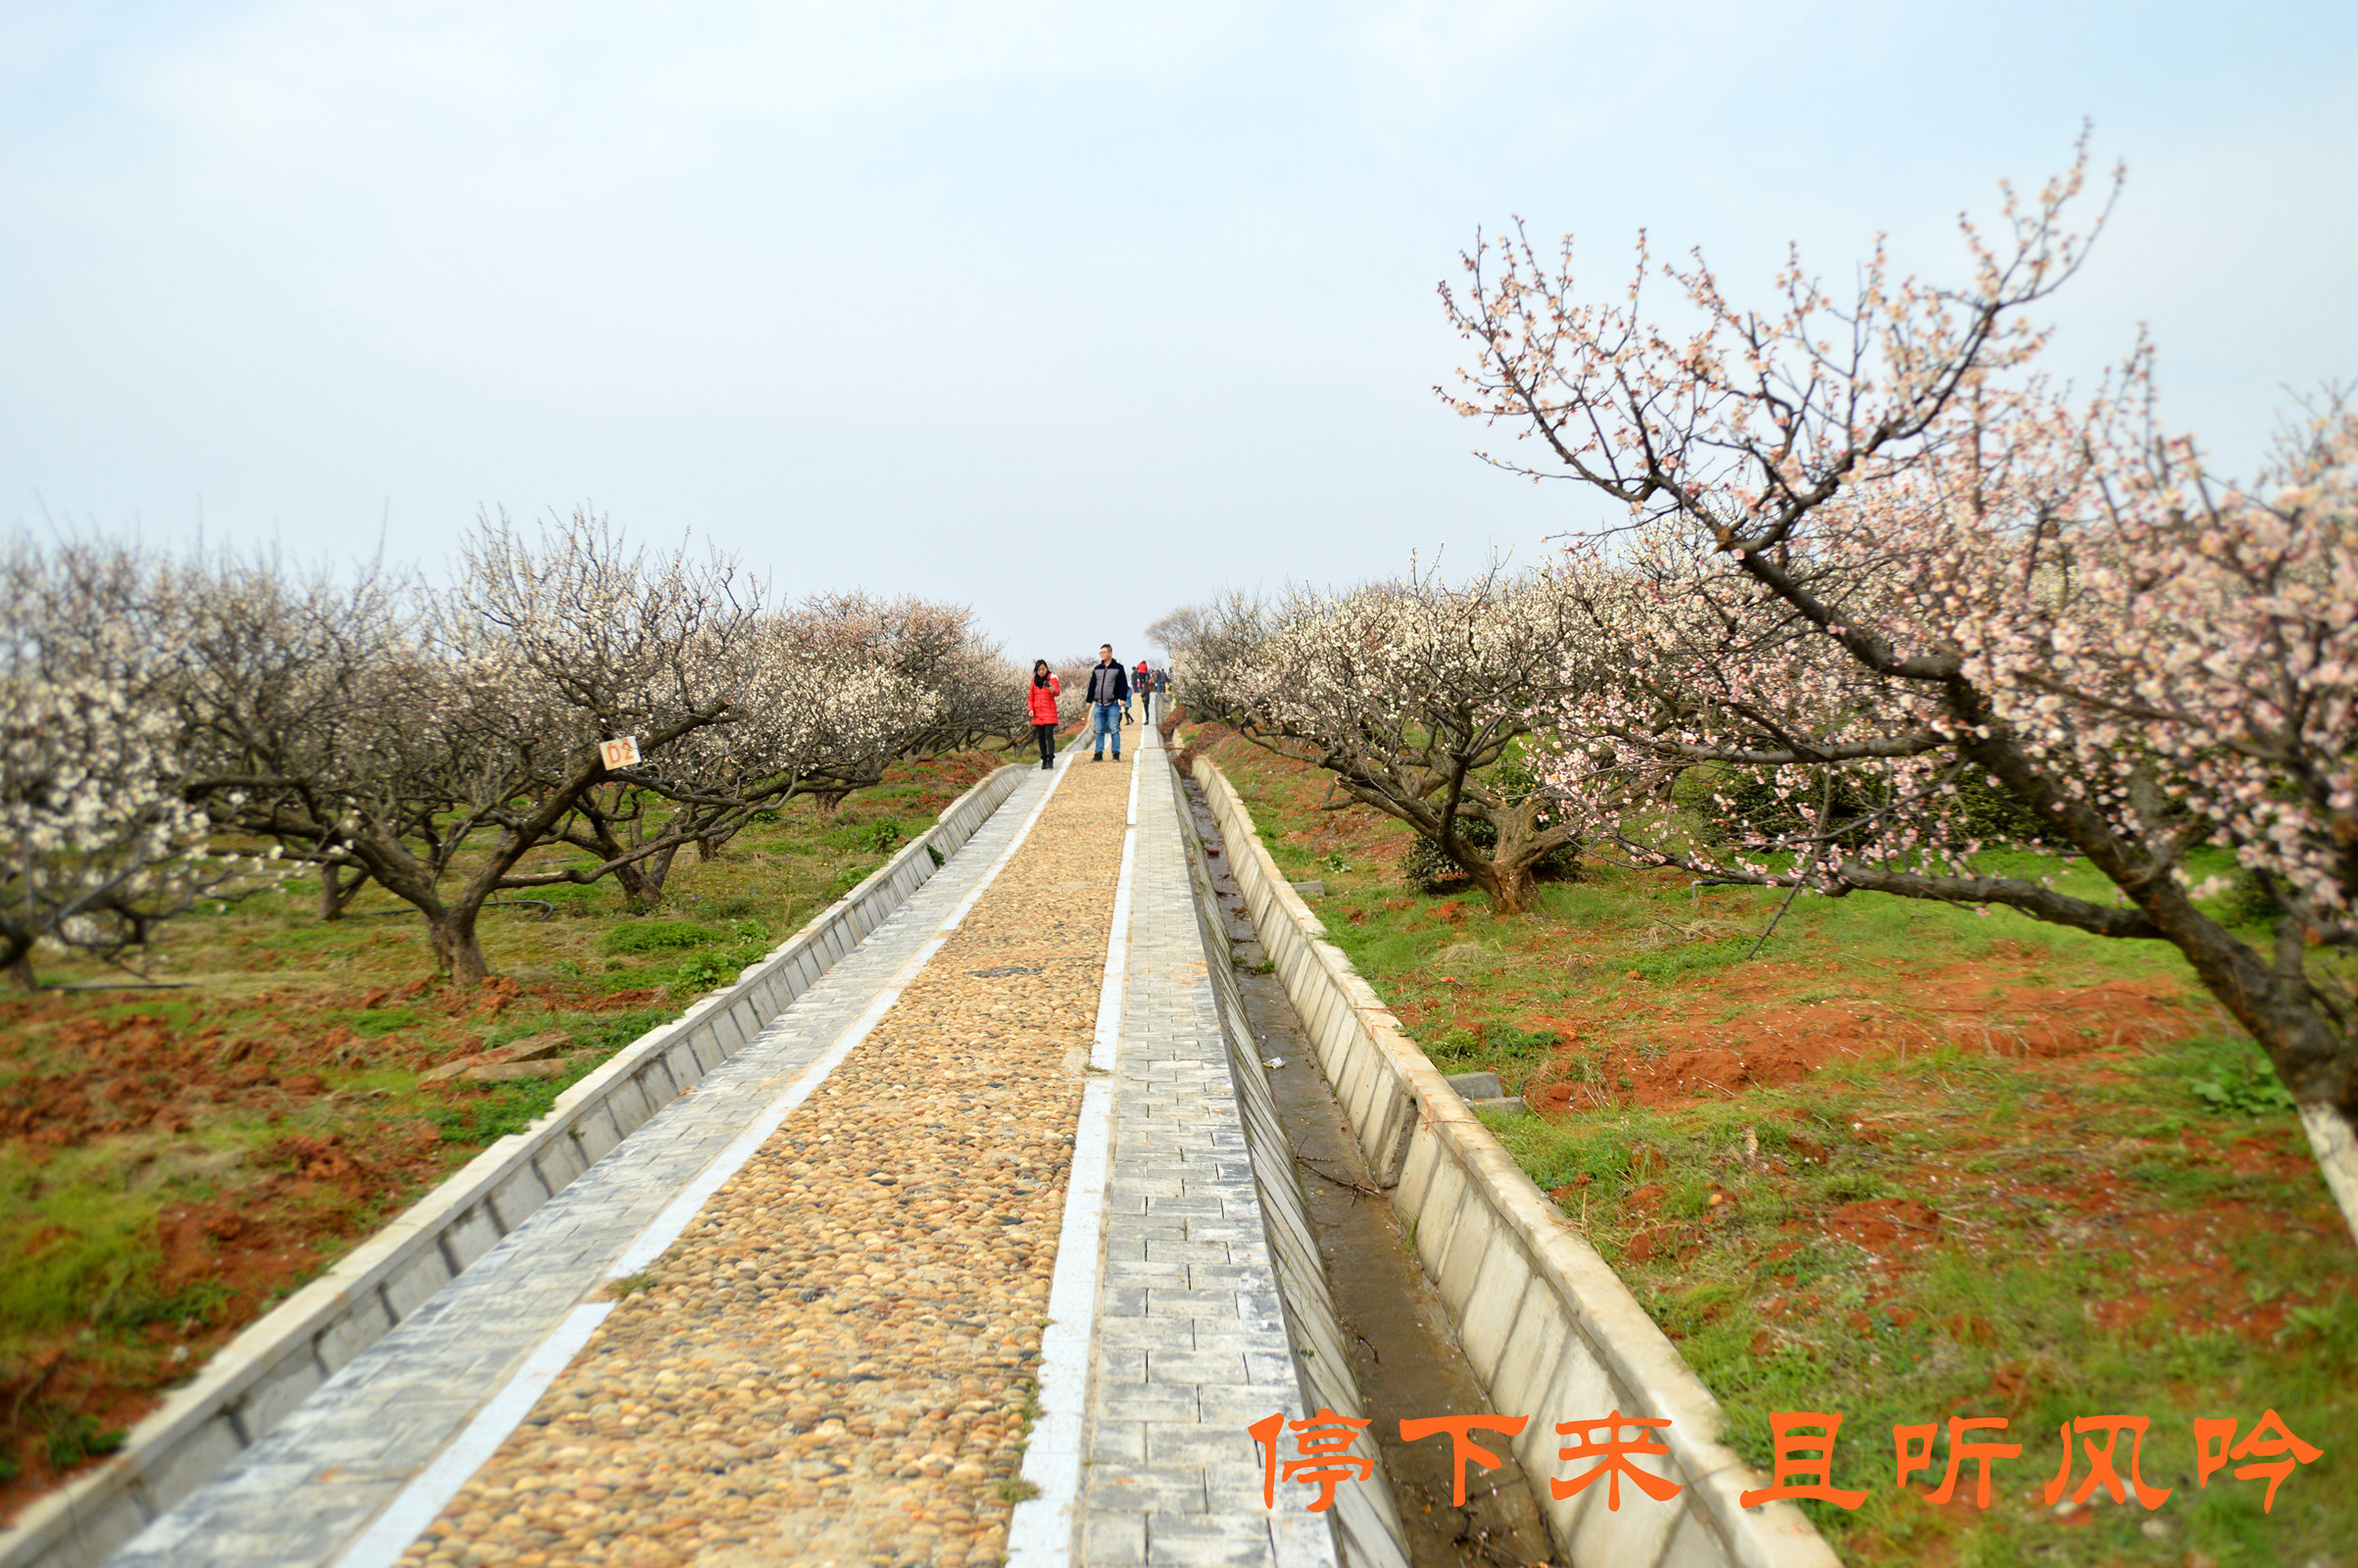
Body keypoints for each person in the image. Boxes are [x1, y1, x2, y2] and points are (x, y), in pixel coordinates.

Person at [1083, 644, 1130, 761]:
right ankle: (1098, 753)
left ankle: (1116, 752)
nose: (1102, 654)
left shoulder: (1118, 668)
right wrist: (1089, 701)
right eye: (1101, 653)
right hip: (1099, 704)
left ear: (1110, 653)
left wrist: (1122, 698)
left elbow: (1123, 685)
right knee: (1099, 730)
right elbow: (1092, 685)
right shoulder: (1097, 668)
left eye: (1104, 652)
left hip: (1112, 704)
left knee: (1114, 729)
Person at [1026, 660, 1061, 769]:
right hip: (1038, 713)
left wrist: (1051, 689)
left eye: (1043, 669)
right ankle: (1044, 759)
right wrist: (1030, 709)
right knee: (1040, 737)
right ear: (1036, 671)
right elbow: (1030, 697)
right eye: (1039, 670)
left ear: (1047, 669)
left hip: (1049, 712)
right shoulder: (1034, 681)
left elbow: (1057, 692)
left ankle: (1051, 758)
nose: (1041, 671)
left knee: (1049, 735)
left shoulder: (1052, 679)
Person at [1133, 659, 1154, 726]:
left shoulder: (1139, 664)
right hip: (1144, 674)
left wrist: (1139, 670)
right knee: (1143, 679)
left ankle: (1146, 720)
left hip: (1140, 673)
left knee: (1141, 680)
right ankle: (1147, 720)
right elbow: (1146, 669)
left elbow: (1137, 668)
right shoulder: (1145, 665)